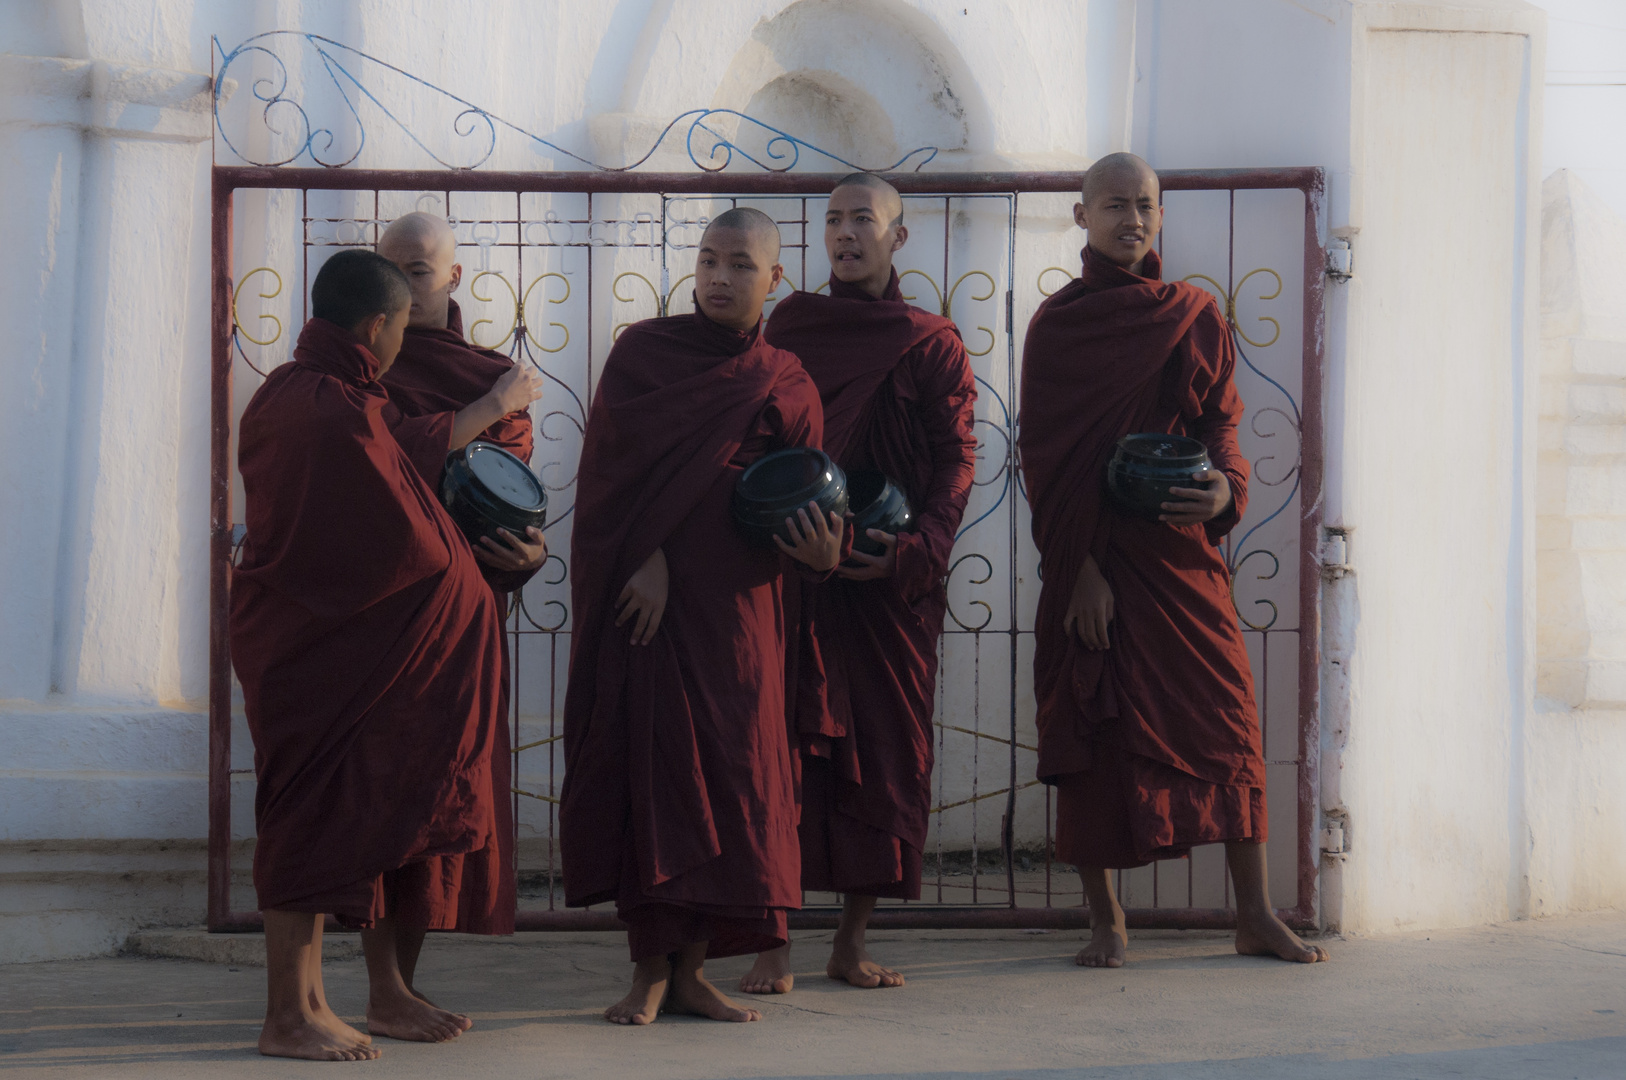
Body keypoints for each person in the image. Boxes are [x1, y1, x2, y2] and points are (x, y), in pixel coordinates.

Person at [1018, 153, 1329, 970]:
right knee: (1091, 726)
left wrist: (1227, 491)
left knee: (1228, 718)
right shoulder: (1058, 326)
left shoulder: (1192, 313)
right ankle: (1105, 919)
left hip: (1179, 559)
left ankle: (1254, 912)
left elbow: (1222, 422)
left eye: (1146, 206)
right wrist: (1078, 567)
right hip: (1095, 558)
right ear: (1082, 216)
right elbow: (1044, 460)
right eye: (1115, 205)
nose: (1133, 220)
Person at [559, 207, 845, 1025]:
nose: (719, 277)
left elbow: (810, 492)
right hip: (649, 609)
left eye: (740, 266)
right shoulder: (644, 356)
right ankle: (649, 971)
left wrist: (825, 556)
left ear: (774, 280)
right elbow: (608, 478)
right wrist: (640, 555)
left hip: (741, 613)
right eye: (709, 260)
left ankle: (693, 973)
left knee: (734, 782)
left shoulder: (785, 379)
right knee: (657, 775)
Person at [231, 249, 513, 1062]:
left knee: (314, 819)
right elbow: (403, 538)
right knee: (305, 822)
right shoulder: (334, 411)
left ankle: (313, 1003)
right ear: (379, 326)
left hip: (322, 654)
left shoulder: (296, 393)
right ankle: (287, 1014)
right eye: (397, 336)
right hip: (321, 658)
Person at [741, 174, 978, 994]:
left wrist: (919, 553)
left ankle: (850, 939)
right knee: (784, 746)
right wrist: (788, 538)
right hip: (800, 568)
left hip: (887, 579)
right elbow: (765, 437)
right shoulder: (793, 325)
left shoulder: (930, 340)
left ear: (897, 236)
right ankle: (773, 940)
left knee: (883, 755)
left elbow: (957, 458)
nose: (846, 234)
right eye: (834, 220)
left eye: (863, 220)